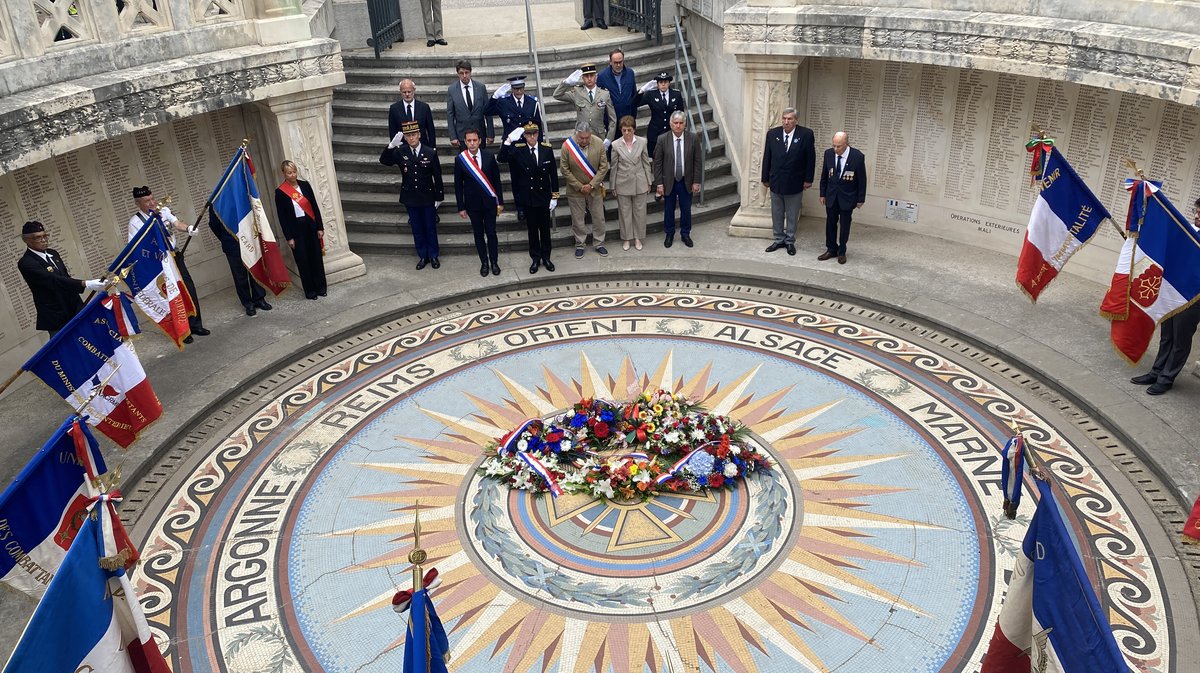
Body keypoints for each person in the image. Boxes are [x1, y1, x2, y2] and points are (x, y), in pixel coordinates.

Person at [1130, 197, 1200, 395]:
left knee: (1181, 339)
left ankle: (1167, 378)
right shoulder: (1191, 233)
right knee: (1167, 334)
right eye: (1196, 211)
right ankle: (1156, 371)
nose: (1196, 215)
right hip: (1173, 291)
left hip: (1193, 298)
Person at [130, 186, 208, 340]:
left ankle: (196, 325)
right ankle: (183, 330)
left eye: (152, 198)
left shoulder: (164, 210)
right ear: (138, 203)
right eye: (147, 201)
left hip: (175, 257)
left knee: (188, 288)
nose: (152, 203)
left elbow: (176, 223)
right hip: (158, 263)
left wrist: (188, 228)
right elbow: (135, 247)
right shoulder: (135, 222)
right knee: (171, 294)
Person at [17, 221, 104, 336]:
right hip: (56, 315)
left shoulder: (53, 253)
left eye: (45, 236)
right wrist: (85, 283)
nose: (43, 240)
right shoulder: (26, 262)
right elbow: (53, 280)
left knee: (90, 341)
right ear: (26, 240)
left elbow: (65, 277)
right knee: (67, 351)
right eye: (38, 238)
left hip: (74, 307)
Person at [381, 120, 445, 270]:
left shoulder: (430, 152)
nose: (411, 138)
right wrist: (390, 146)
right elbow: (384, 161)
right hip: (410, 197)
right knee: (417, 228)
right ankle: (423, 256)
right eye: (408, 135)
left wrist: (439, 196)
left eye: (414, 134)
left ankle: (434, 255)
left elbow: (438, 175)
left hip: (427, 196)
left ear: (419, 135)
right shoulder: (400, 152)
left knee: (430, 227)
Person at [499, 121, 559, 274]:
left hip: (544, 196)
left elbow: (553, 174)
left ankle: (546, 257)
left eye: (534, 133)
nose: (532, 137)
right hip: (529, 198)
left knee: (545, 230)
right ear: (524, 136)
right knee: (532, 231)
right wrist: (508, 141)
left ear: (538, 134)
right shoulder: (519, 151)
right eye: (528, 134)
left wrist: (555, 196)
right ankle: (535, 259)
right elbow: (501, 158)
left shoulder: (546, 149)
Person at [486, 75, 543, 222]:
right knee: (517, 180)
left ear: (524, 88)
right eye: (516, 89)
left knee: (532, 178)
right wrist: (494, 97)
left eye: (521, 88)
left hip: (529, 145)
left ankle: (532, 204)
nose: (518, 91)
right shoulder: (504, 102)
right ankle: (521, 208)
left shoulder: (532, 102)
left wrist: (539, 145)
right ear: (511, 89)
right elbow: (487, 111)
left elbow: (539, 126)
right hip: (513, 148)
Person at [761, 107, 815, 256]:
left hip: (795, 182)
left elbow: (810, 159)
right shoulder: (773, 134)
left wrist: (808, 179)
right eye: (784, 118)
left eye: (790, 119)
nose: (786, 122)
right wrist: (765, 177)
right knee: (777, 212)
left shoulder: (806, 134)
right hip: (776, 181)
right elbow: (767, 157)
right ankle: (778, 239)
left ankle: (790, 241)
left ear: (796, 120)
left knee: (792, 213)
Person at [454, 128, 505, 277]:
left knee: (491, 233)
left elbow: (497, 181)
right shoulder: (460, 159)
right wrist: (460, 207)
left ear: (480, 141)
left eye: (474, 140)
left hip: (489, 203)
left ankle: (494, 262)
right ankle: (484, 262)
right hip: (472, 205)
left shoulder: (489, 157)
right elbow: (458, 185)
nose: (472, 143)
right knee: (478, 234)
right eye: (469, 141)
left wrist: (500, 202)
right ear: (465, 142)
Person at [274, 161, 328, 300]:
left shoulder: (305, 185)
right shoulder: (280, 192)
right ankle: (310, 292)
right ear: (284, 174)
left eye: (294, 172)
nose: (292, 175)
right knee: (303, 261)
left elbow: (314, 207)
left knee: (316, 257)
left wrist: (319, 227)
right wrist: (289, 237)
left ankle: (321, 288)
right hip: (296, 230)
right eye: (289, 173)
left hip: (310, 227)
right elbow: (282, 217)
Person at [205, 207, 272, 316]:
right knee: (240, 276)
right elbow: (214, 225)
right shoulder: (216, 204)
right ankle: (248, 303)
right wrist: (226, 238)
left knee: (255, 270)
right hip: (231, 244)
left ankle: (259, 298)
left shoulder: (242, 197)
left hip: (250, 240)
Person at [651, 111, 703, 248]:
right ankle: (669, 234)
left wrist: (697, 181)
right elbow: (657, 163)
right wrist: (659, 184)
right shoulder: (662, 139)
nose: (678, 126)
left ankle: (685, 234)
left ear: (685, 124)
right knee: (669, 209)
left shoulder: (693, 138)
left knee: (686, 209)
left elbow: (698, 161)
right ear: (670, 124)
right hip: (669, 181)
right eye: (675, 123)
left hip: (686, 180)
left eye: (681, 123)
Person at [560, 122, 610, 259]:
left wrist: (592, 185)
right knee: (578, 220)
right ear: (576, 133)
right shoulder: (567, 146)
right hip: (575, 190)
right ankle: (580, 244)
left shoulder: (599, 143)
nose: (584, 140)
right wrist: (579, 186)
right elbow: (564, 169)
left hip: (594, 189)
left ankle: (599, 243)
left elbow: (603, 167)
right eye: (581, 138)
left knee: (599, 217)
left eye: (587, 137)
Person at [818, 131, 867, 264]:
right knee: (830, 223)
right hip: (831, 196)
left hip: (848, 197)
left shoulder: (857, 156)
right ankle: (831, 248)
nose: (835, 149)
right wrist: (822, 193)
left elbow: (862, 179)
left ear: (846, 144)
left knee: (845, 225)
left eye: (838, 146)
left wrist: (860, 198)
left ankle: (842, 251)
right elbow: (824, 175)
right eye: (834, 145)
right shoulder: (828, 153)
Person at [609, 115, 651, 251]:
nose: (627, 133)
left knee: (640, 212)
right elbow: (613, 166)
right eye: (624, 130)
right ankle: (627, 238)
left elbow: (646, 162)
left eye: (629, 130)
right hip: (622, 182)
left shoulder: (642, 142)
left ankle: (638, 237)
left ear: (634, 130)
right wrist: (613, 185)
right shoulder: (615, 145)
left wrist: (649, 181)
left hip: (640, 181)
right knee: (624, 212)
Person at [554, 64, 617, 146]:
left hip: (598, 136)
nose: (589, 78)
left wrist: (609, 138)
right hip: (580, 137)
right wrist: (566, 83)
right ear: (583, 78)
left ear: (596, 76)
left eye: (592, 75)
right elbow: (557, 95)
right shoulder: (577, 92)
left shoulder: (604, 94)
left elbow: (613, 119)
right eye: (586, 76)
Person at [635, 72, 684, 158]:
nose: (663, 84)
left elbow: (680, 113)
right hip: (655, 133)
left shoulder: (676, 94)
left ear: (669, 83)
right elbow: (635, 103)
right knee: (656, 158)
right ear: (657, 84)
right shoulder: (651, 94)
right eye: (661, 82)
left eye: (665, 82)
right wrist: (642, 90)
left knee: (670, 158)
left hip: (670, 132)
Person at [446, 60, 492, 150]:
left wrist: (490, 133)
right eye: (461, 73)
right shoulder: (452, 90)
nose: (464, 76)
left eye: (466, 73)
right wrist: (453, 136)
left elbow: (488, 111)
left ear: (471, 72)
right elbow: (450, 114)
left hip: (479, 134)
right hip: (462, 135)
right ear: (457, 74)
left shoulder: (480, 88)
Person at [388, 79, 436, 148]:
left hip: (422, 147)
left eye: (409, 92)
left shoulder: (424, 107)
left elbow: (431, 130)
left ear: (414, 90)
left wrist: (432, 149)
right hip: (403, 148)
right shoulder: (394, 109)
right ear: (400, 92)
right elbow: (392, 132)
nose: (407, 94)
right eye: (404, 92)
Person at [597, 49, 636, 124]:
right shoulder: (602, 76)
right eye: (615, 63)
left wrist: (633, 116)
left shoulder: (630, 73)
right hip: (611, 120)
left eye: (620, 62)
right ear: (610, 62)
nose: (618, 65)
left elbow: (633, 95)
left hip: (628, 119)